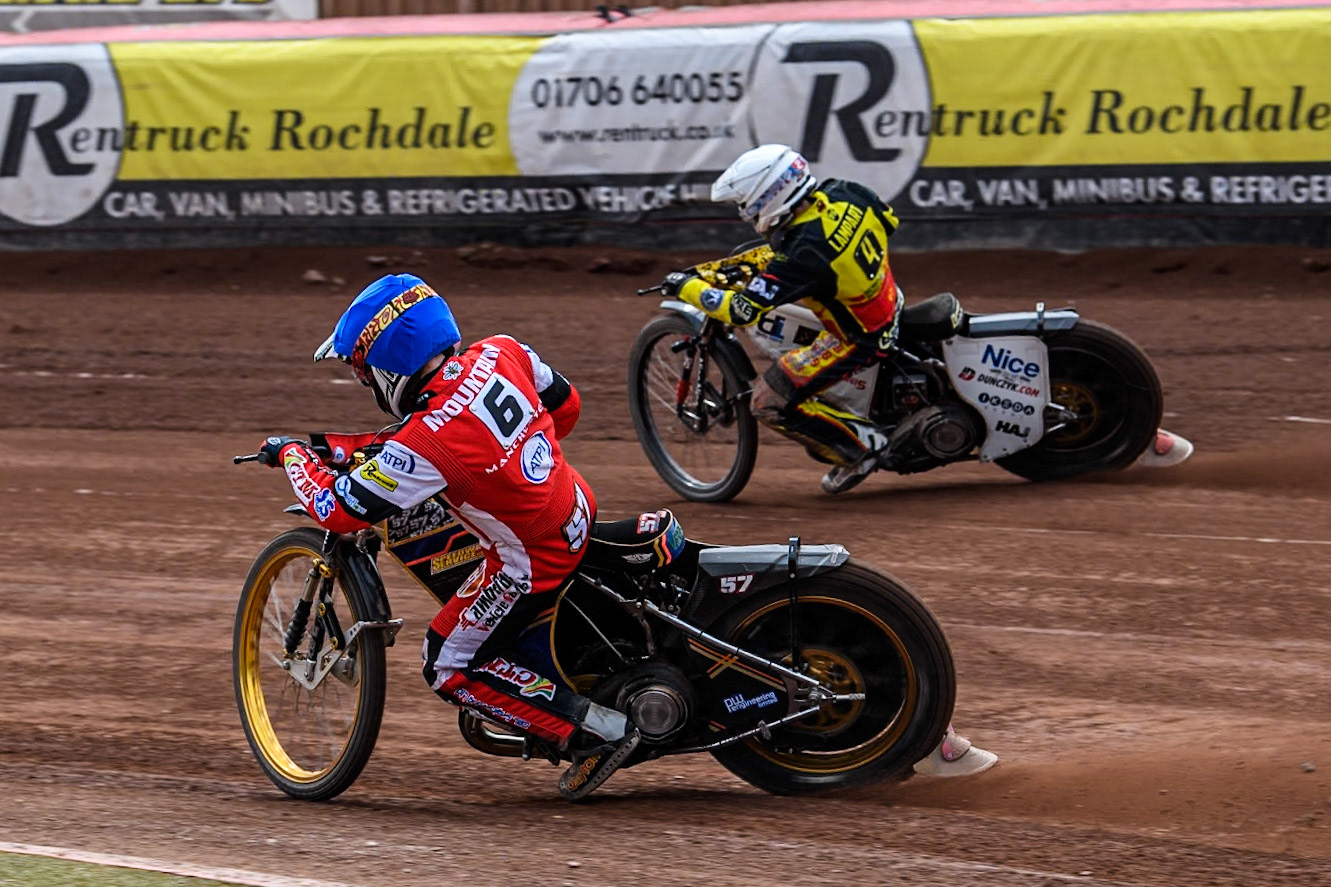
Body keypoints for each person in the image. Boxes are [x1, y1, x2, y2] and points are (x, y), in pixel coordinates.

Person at [256, 273, 641, 801]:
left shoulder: (426, 438)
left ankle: (594, 731)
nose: (369, 387)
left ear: (391, 366)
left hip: (530, 558)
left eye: (367, 376)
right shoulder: (504, 351)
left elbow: (337, 511)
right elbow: (567, 408)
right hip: (575, 504)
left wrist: (292, 454)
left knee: (445, 663)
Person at [659, 143, 904, 495]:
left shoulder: (802, 254)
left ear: (769, 196)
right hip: (889, 298)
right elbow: (889, 220)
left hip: (858, 336)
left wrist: (687, 286)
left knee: (767, 401)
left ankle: (863, 450)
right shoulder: (845, 191)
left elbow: (740, 310)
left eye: (745, 203)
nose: (744, 213)